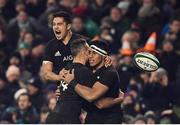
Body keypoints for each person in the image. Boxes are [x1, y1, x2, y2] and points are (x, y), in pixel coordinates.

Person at [61, 40, 123, 123]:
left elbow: (97, 102)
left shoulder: (109, 73)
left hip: (108, 120)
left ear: (103, 56)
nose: (90, 56)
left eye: (94, 53)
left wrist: (72, 82)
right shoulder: (89, 69)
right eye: (89, 52)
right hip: (92, 119)